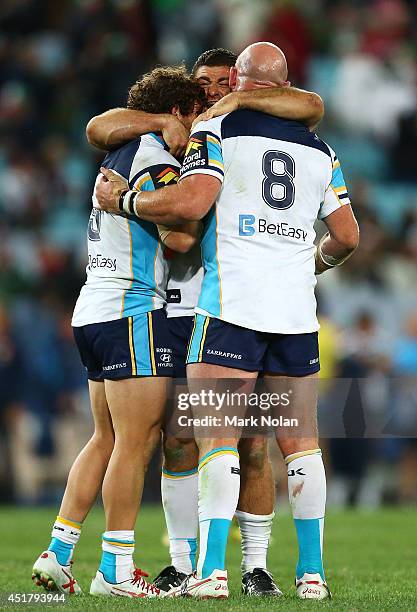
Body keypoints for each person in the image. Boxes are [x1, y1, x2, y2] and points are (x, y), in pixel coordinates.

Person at [95, 42, 359, 600]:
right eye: (207, 86)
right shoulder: (320, 149)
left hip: (226, 303)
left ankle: (224, 569)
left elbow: (191, 210)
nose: (216, 93)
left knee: (234, 442)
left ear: (238, 82)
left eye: (226, 82)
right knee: (282, 442)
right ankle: (300, 574)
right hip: (281, 309)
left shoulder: (215, 135)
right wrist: (306, 263)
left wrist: (127, 205)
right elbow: (348, 236)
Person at [31, 66, 205, 598]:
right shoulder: (153, 156)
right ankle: (115, 569)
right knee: (137, 441)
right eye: (195, 112)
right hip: (131, 308)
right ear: (178, 111)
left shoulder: (118, 155)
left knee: (106, 437)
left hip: (92, 309)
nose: (200, 125)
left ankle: (58, 554)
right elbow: (180, 234)